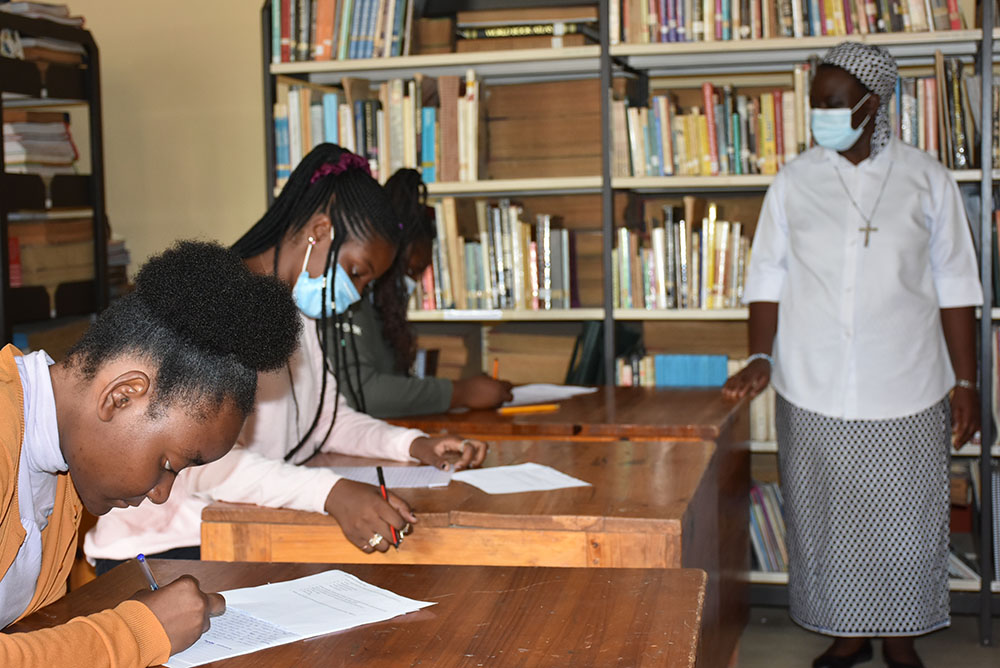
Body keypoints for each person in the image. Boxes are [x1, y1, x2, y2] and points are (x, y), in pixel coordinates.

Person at [85, 145, 489, 572]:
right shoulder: (218, 305)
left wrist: (412, 444)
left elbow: (330, 419)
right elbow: (199, 463)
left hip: (245, 525)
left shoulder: (299, 311)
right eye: (355, 271)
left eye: (366, 283)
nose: (356, 293)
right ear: (320, 230)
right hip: (160, 547)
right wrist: (328, 493)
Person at [723, 42, 982, 668]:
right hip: (812, 385)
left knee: (904, 524)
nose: (822, 115)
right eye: (816, 104)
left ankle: (899, 638)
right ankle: (847, 635)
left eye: (834, 104)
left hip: (908, 384)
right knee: (827, 522)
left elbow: (955, 284)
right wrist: (761, 356)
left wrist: (967, 383)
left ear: (873, 102)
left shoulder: (927, 178)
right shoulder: (793, 182)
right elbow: (768, 277)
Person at [0, 241, 301, 666]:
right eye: (167, 465)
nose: (161, 494)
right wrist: (138, 633)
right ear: (122, 396)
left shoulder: (62, 463)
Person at [332, 167, 513, 418]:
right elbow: (363, 394)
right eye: (413, 270)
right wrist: (460, 392)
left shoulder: (380, 311)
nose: (414, 283)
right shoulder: (349, 301)